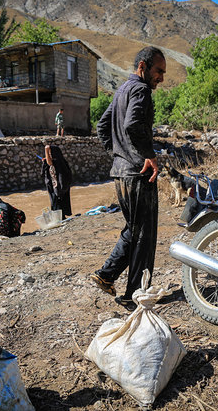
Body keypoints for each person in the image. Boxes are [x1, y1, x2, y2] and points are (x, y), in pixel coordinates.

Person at [90, 46, 166, 311]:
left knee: (134, 229)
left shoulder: (122, 89)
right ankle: (134, 295)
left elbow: (102, 126)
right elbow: (132, 125)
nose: (162, 78)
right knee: (144, 235)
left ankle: (107, 275)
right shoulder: (141, 90)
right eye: (159, 71)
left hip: (121, 173)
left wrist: (118, 155)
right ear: (142, 67)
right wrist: (148, 155)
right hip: (138, 173)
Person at [41, 144, 72, 220]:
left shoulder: (56, 162)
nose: (49, 155)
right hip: (59, 187)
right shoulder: (61, 161)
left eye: (50, 154)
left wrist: (46, 150)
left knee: (57, 203)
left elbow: (49, 163)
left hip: (58, 188)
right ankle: (61, 217)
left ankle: (61, 218)